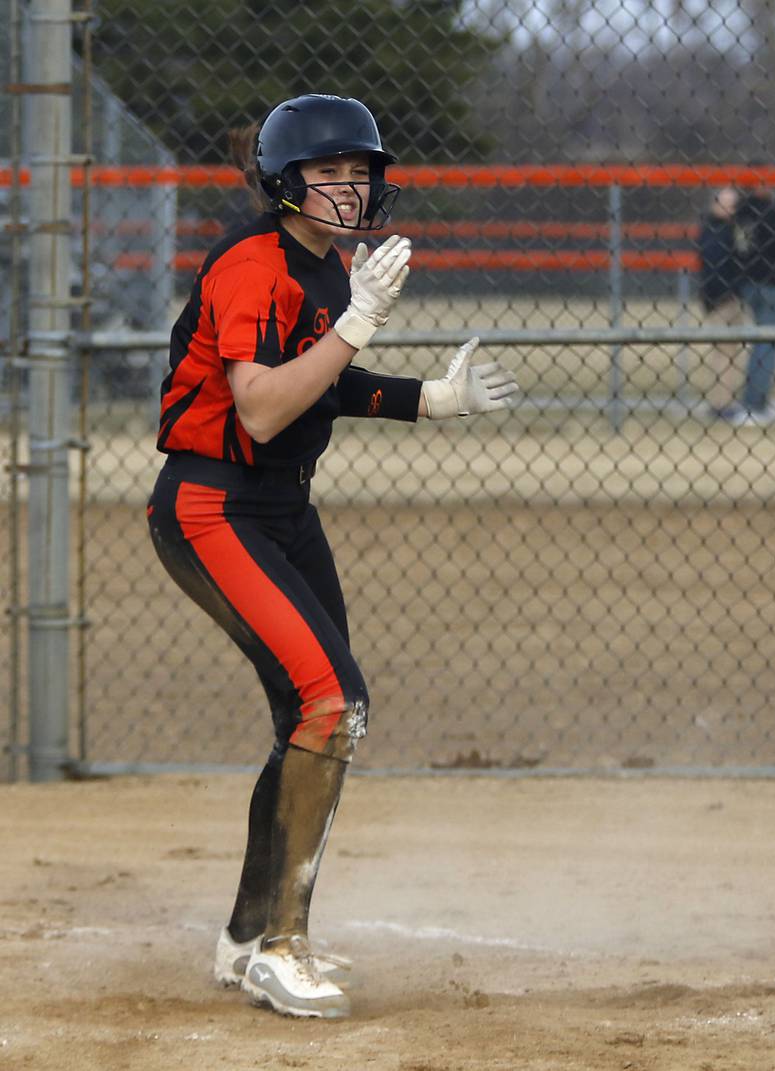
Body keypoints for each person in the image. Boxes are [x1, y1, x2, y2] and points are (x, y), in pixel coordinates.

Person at [146, 94, 518, 1021]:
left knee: (312, 709)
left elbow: (322, 380)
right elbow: (264, 406)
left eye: (361, 173)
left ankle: (247, 935)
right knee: (328, 701)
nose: (350, 190)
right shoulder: (253, 264)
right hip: (212, 504)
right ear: (283, 183)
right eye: (329, 174)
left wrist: (428, 399)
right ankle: (281, 945)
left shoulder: (324, 266)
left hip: (277, 506)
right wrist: (358, 321)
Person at [732, 176, 775, 422]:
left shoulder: (741, 215)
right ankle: (755, 404)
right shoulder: (772, 215)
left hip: (750, 284)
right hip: (774, 285)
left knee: (761, 342)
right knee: (768, 345)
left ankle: (753, 401)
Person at [697, 186, 746, 421]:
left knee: (729, 353)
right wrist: (724, 294)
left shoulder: (727, 229)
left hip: (728, 297)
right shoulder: (714, 230)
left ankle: (723, 401)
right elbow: (714, 267)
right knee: (724, 353)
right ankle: (721, 404)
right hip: (721, 299)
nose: (731, 208)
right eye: (727, 203)